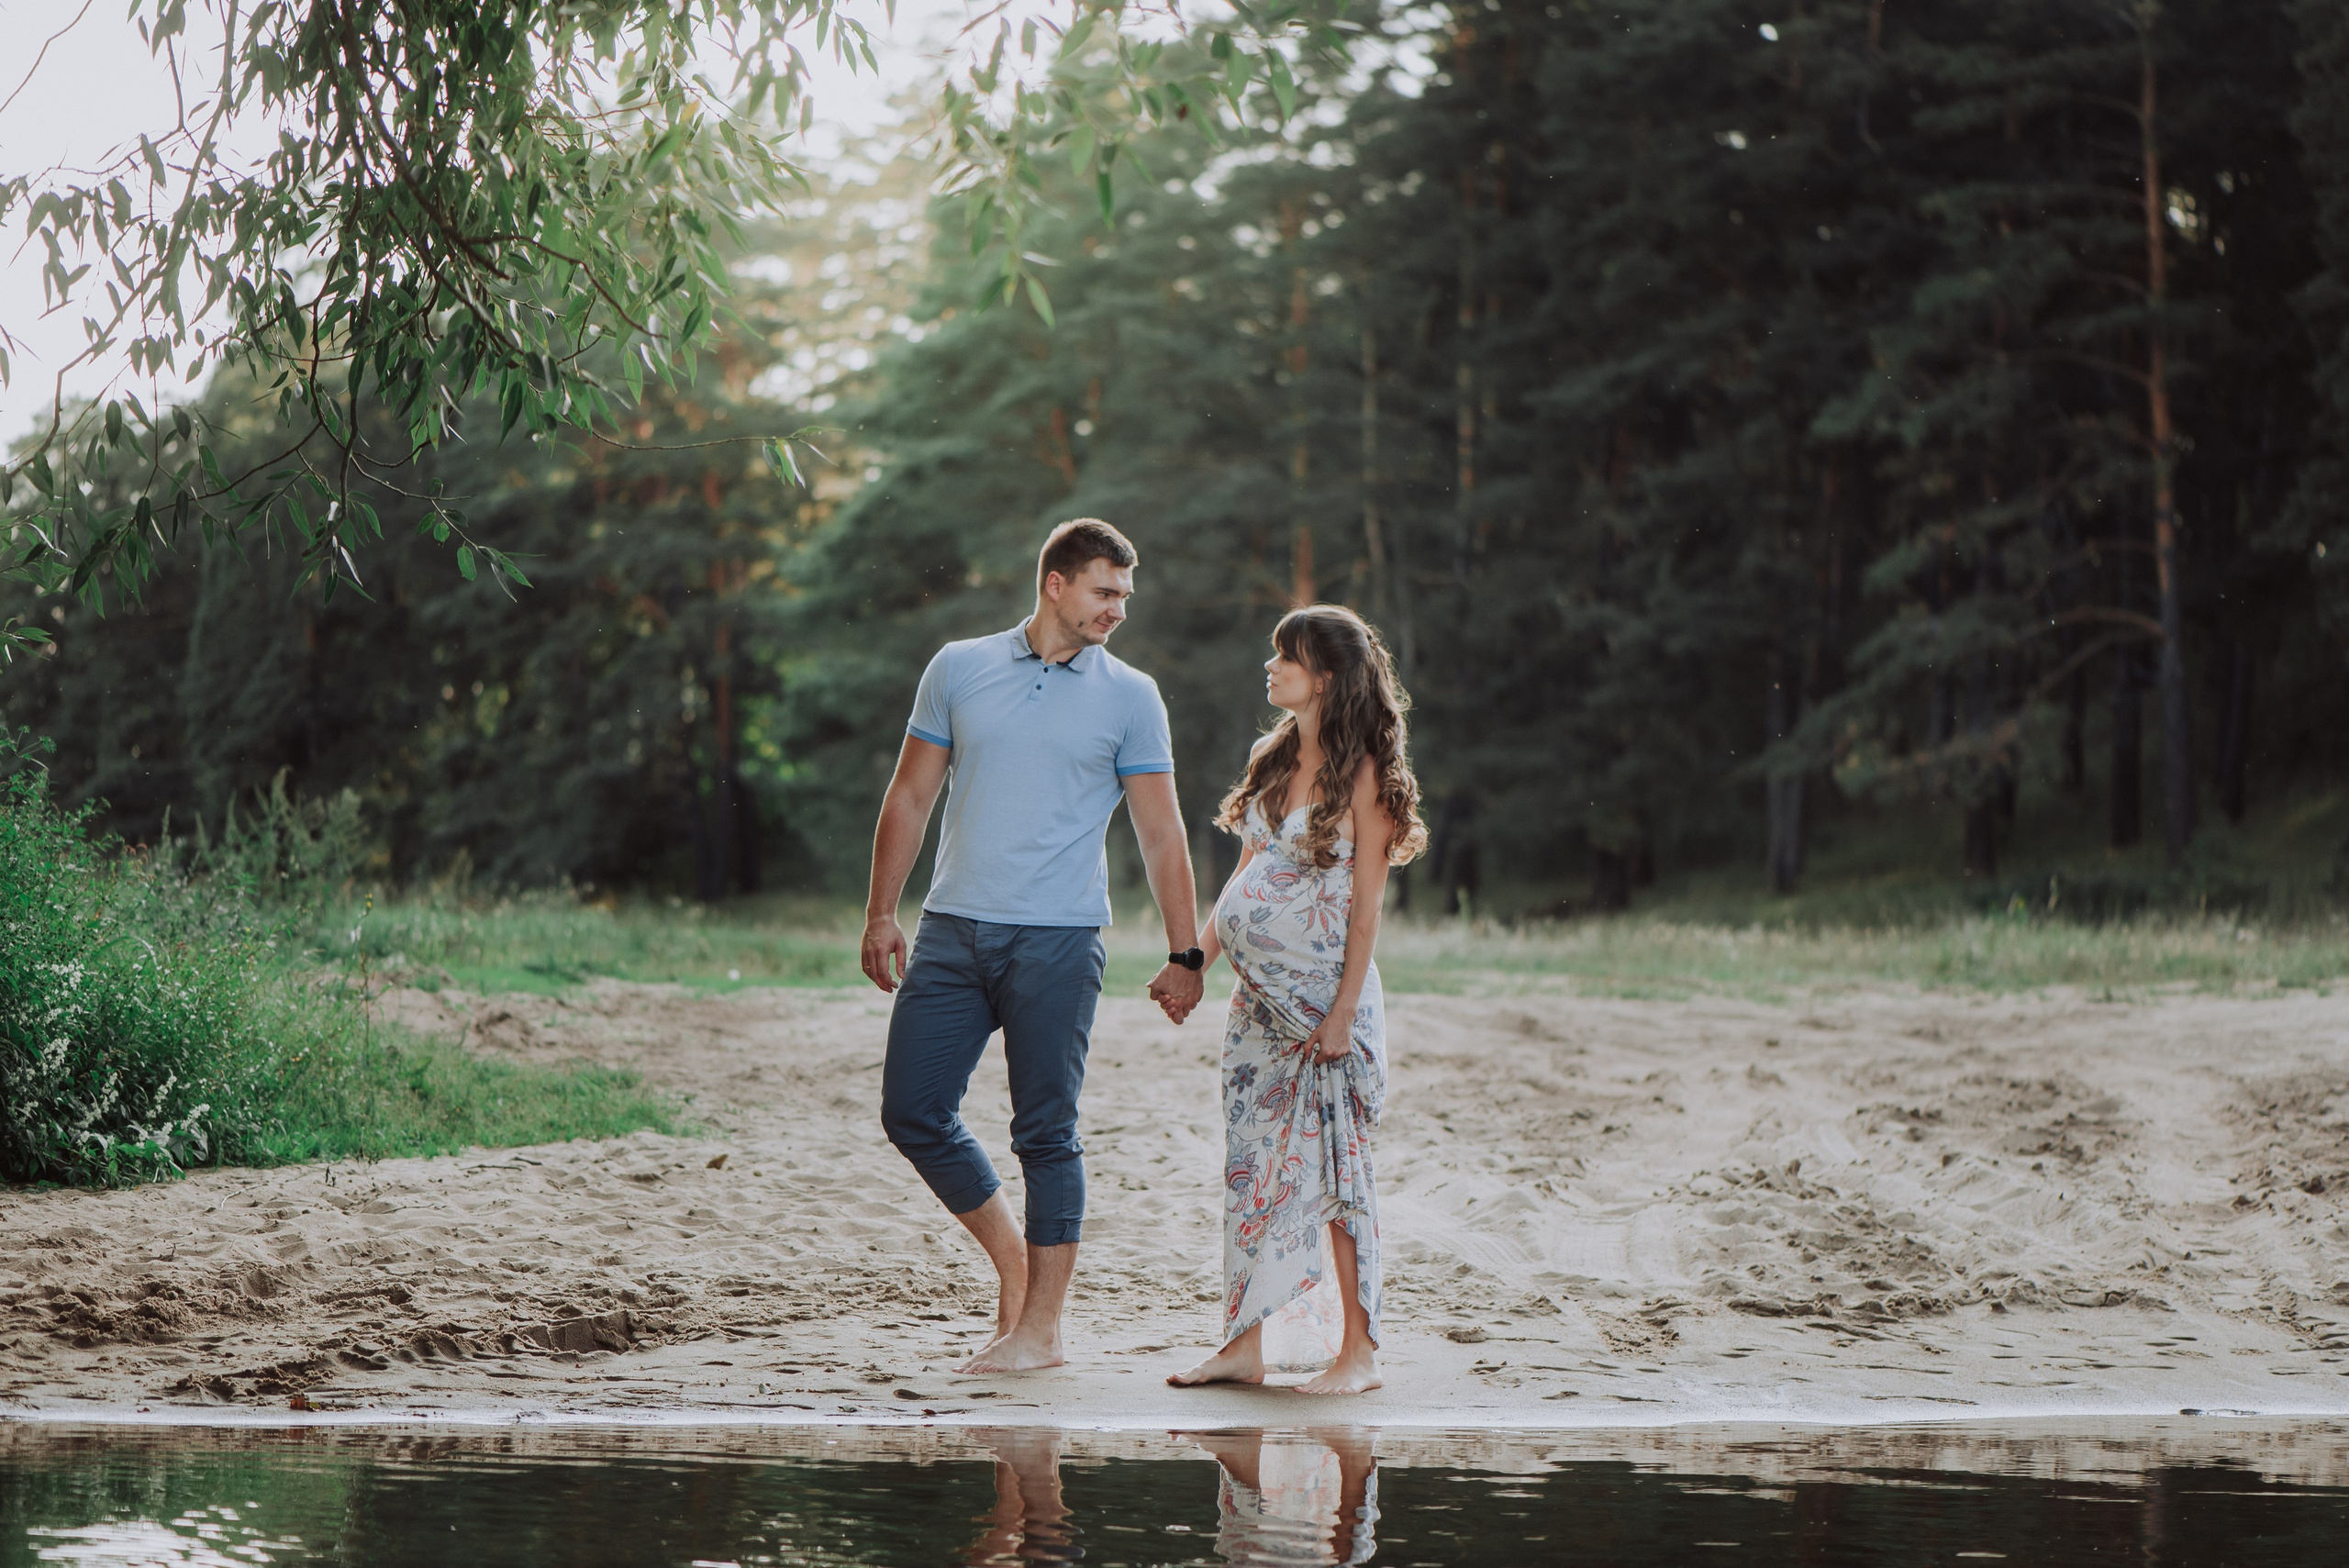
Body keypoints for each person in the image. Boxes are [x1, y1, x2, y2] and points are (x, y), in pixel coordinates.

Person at [863, 517, 1207, 1374]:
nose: (1118, 609)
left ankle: (1042, 1330)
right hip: (951, 929)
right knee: (912, 1108)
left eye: (1125, 595)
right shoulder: (959, 667)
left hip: (1060, 940)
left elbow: (1161, 833)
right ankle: (1015, 1261)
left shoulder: (1133, 695)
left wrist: (1185, 952)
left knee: (1046, 1134)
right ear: (1055, 583)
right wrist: (880, 911)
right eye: (1105, 591)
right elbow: (909, 796)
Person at [1167, 604, 1426, 1396]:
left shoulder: (1368, 776)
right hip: (1256, 1007)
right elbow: (1245, 880)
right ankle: (1242, 1344)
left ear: (1326, 678)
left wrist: (1343, 1012)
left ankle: (1359, 1354)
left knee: (1340, 1170)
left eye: (1287, 657)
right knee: (1251, 1165)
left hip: (1326, 1007)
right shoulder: (1271, 757)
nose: (1270, 667)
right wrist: (1193, 961)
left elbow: (1367, 906)